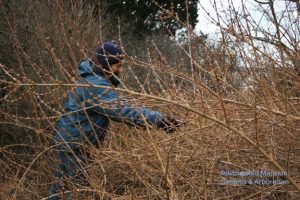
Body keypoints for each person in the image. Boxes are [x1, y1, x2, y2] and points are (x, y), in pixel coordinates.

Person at [48, 41, 181, 199]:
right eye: (117, 66)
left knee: (62, 189)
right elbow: (123, 111)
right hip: (76, 145)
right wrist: (160, 120)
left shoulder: (93, 80)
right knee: (76, 192)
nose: (120, 70)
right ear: (105, 65)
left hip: (70, 141)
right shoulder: (95, 86)